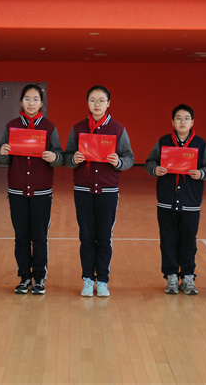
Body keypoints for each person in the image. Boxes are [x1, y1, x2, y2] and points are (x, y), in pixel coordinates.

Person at [64, 85, 134, 297]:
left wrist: (118, 162)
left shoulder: (118, 129)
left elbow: (129, 158)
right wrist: (73, 159)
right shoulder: (78, 128)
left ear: (108, 103)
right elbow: (66, 156)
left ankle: (102, 279)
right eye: (93, 100)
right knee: (86, 236)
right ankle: (87, 279)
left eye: (101, 100)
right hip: (83, 189)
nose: (97, 104)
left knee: (104, 237)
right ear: (87, 102)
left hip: (108, 190)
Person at [0, 84, 63, 295]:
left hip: (41, 191)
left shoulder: (49, 128)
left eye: (35, 99)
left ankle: (39, 277)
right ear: (21, 101)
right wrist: (2, 152)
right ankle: (24, 277)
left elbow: (59, 157)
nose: (31, 103)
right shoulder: (11, 127)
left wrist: (54, 157)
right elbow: (1, 159)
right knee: (21, 236)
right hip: (17, 191)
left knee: (40, 236)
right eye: (27, 99)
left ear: (41, 103)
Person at [145, 104, 206, 295]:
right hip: (166, 201)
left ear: (192, 122)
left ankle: (188, 277)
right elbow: (149, 162)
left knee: (188, 242)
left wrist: (201, 173)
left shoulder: (200, 144)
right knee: (168, 240)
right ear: (172, 121)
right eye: (178, 118)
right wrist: (155, 169)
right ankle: (170, 276)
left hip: (191, 203)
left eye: (186, 118)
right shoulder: (163, 142)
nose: (182, 122)